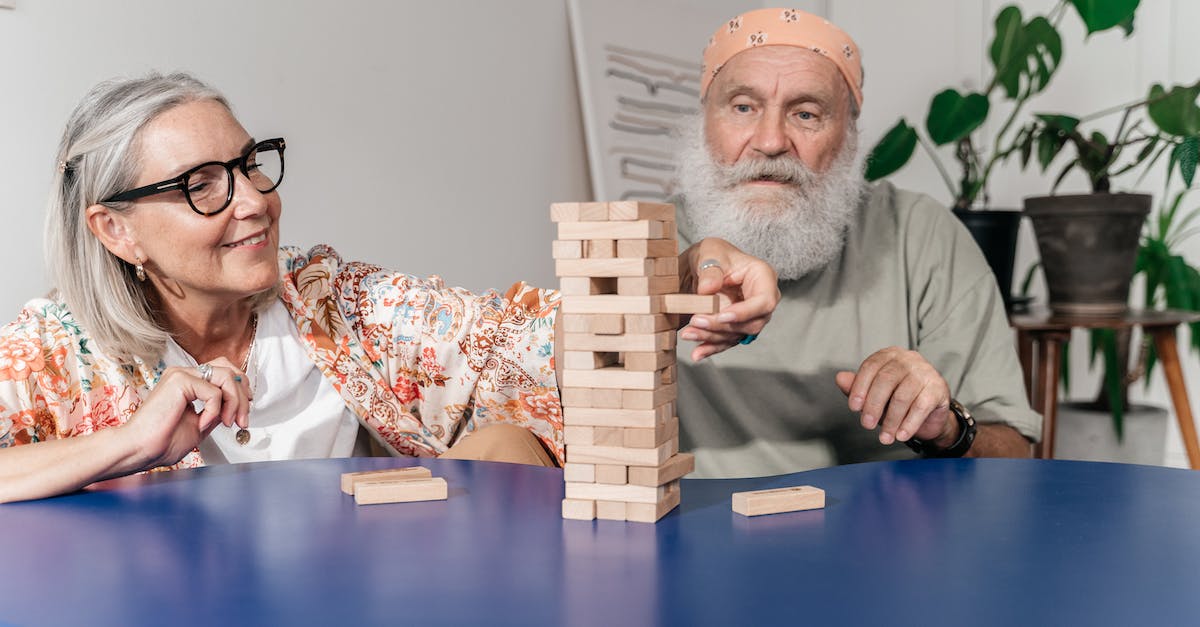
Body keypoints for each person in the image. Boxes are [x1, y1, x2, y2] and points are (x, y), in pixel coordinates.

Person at [0, 72, 777, 502]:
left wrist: (682, 273)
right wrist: (127, 443)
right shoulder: (54, 350)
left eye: (249, 163)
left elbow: (520, 338)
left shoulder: (334, 301)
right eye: (203, 184)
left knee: (507, 447)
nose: (254, 200)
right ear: (115, 230)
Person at [672, 8, 1042, 477]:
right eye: (743, 107)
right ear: (705, 122)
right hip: (694, 535)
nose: (769, 141)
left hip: (882, 535)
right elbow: (555, 412)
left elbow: (1015, 454)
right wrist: (662, 288)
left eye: (806, 114)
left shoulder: (921, 234)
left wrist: (946, 428)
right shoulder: (645, 241)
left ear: (849, 135)